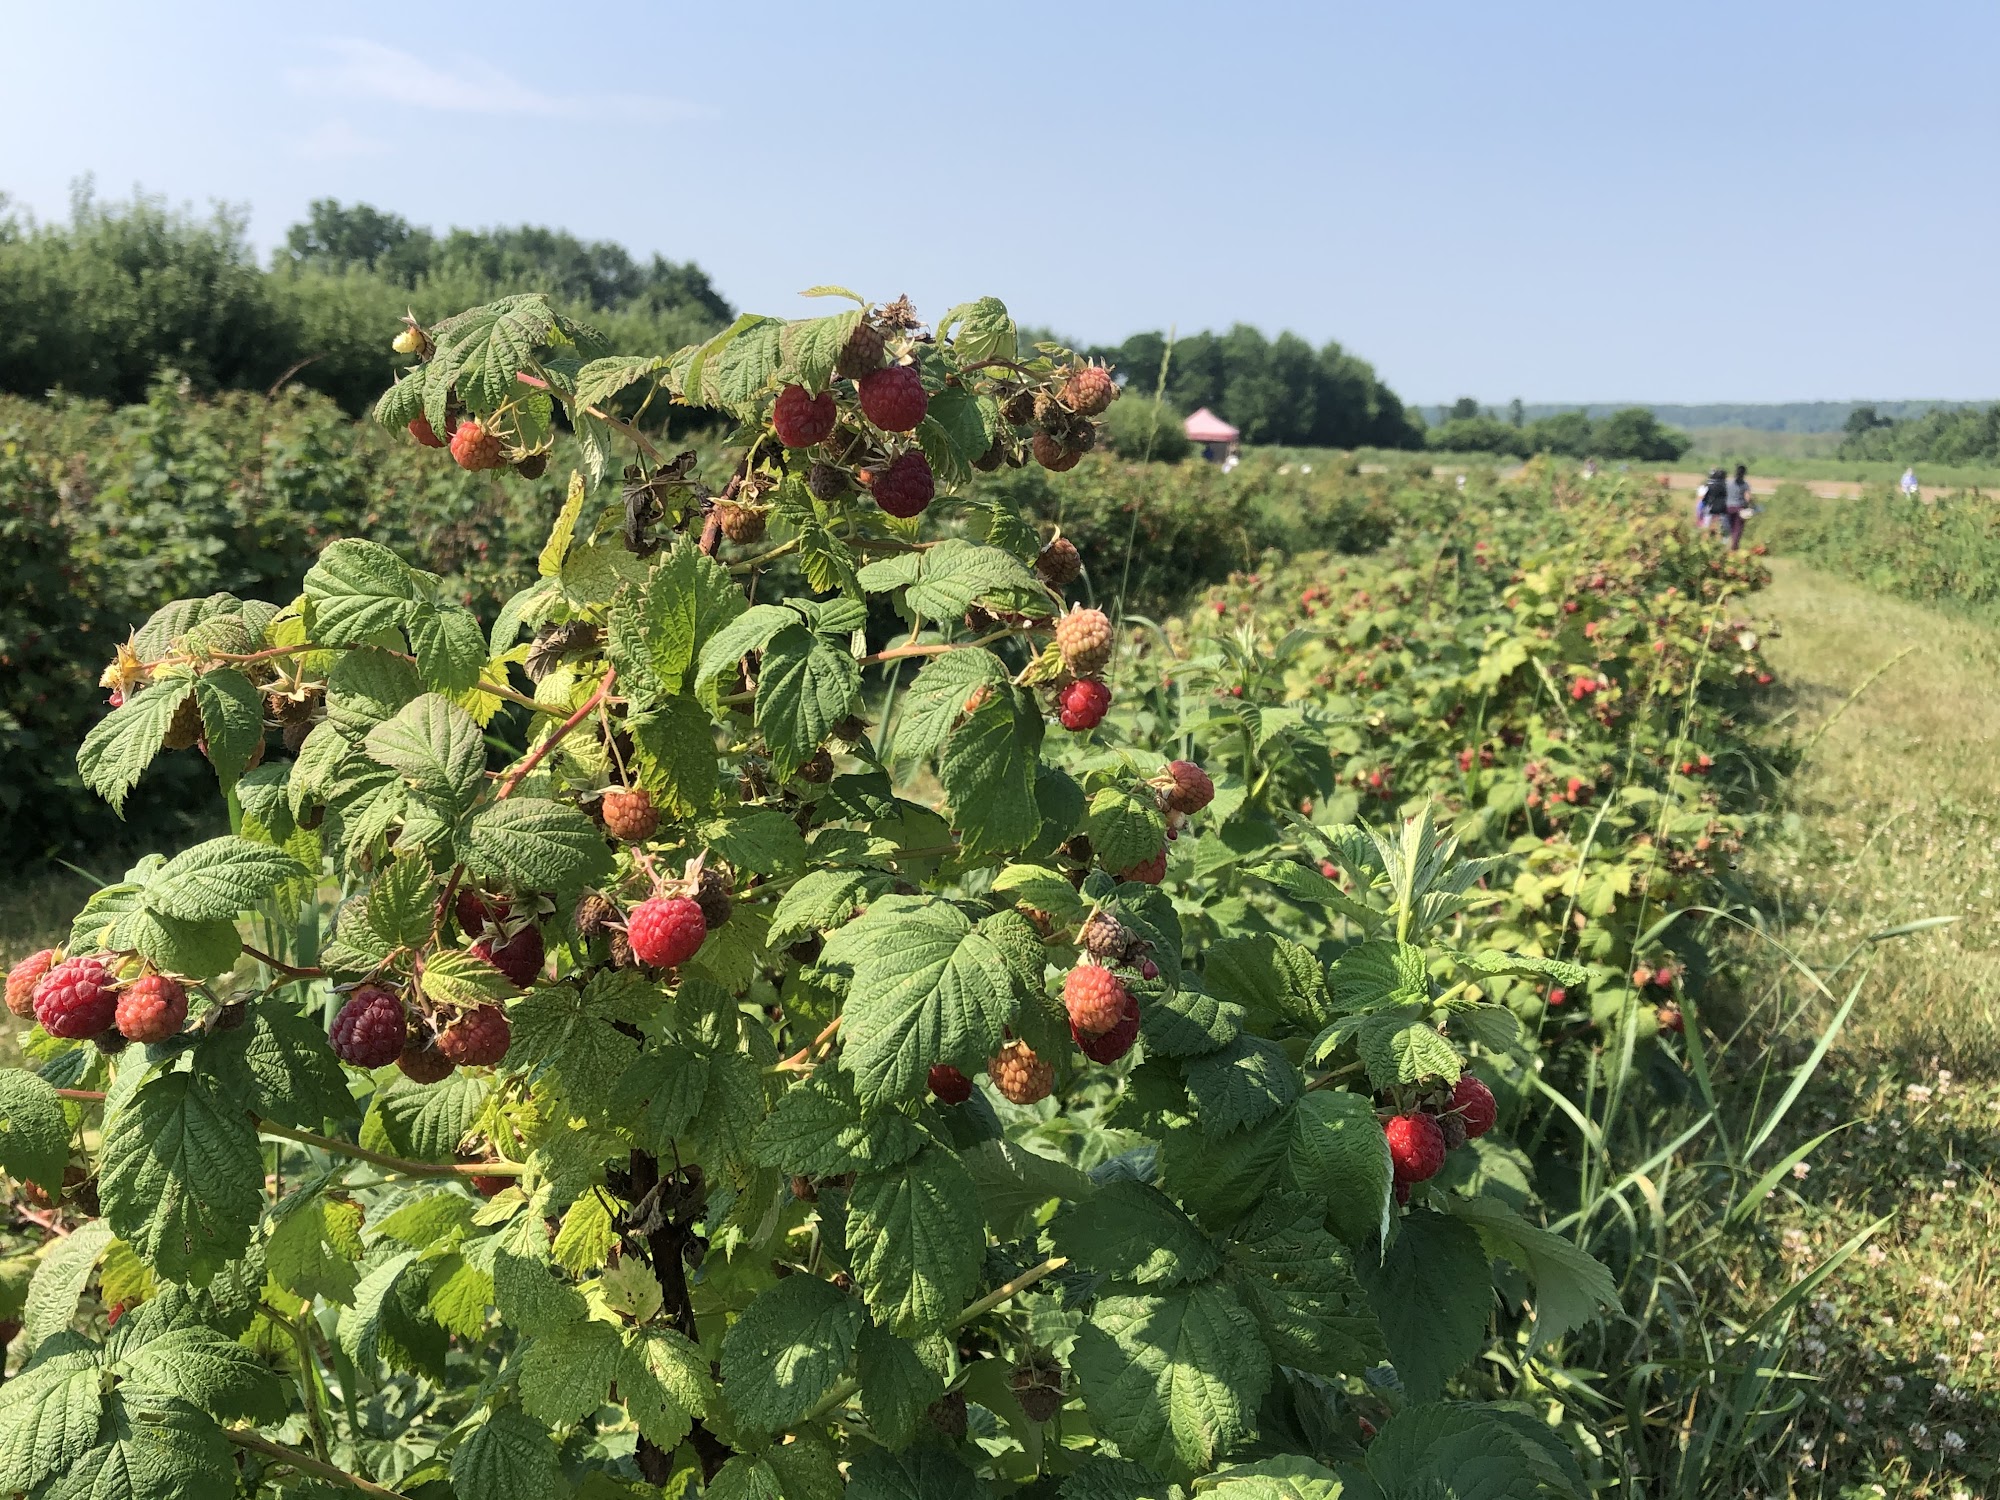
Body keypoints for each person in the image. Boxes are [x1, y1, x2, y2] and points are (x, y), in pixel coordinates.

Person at [1723, 463, 1752, 551]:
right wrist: (1748, 506)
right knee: (1737, 529)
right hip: (1739, 508)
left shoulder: (1728, 482)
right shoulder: (1745, 484)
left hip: (1728, 507)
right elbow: (1748, 498)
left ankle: (1726, 545)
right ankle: (1734, 547)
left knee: (1729, 527)